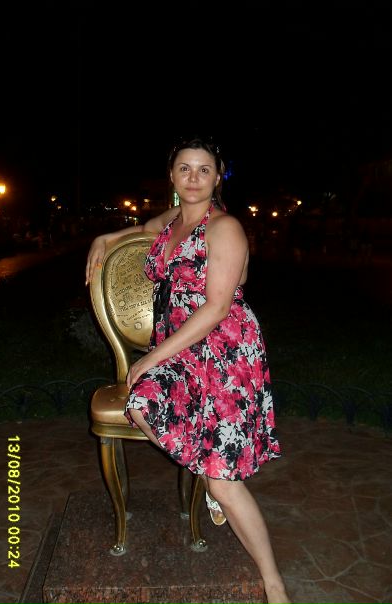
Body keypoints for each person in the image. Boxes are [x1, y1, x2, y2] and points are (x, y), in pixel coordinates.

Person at [86, 136, 292, 604]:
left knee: (224, 479)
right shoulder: (173, 220)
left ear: (218, 177)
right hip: (182, 352)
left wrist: (151, 357)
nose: (194, 178)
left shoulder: (225, 228)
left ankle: (273, 582)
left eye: (204, 169)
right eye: (185, 169)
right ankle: (207, 472)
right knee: (141, 404)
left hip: (224, 354)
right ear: (172, 176)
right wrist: (105, 238)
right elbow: (143, 227)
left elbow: (217, 308)